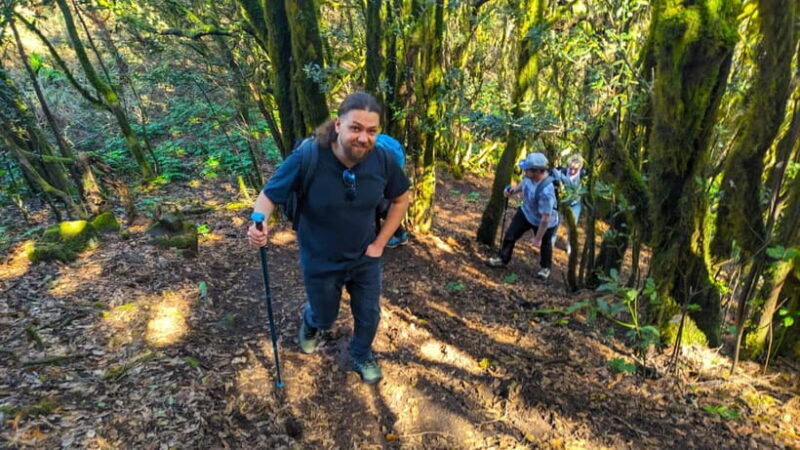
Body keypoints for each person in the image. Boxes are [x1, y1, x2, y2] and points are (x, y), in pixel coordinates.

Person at [247, 92, 411, 384]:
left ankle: (360, 353)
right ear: (338, 125)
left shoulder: (382, 159)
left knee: (370, 315)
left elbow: (401, 198)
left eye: (372, 131)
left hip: (364, 257)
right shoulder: (309, 156)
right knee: (325, 318)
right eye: (356, 128)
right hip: (320, 258)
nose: (363, 138)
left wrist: (380, 243)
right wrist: (258, 225)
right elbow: (269, 195)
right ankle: (311, 321)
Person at [486, 152, 559, 282]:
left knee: (545, 245)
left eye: (527, 169)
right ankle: (502, 258)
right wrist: (513, 191)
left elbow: (545, 219)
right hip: (526, 212)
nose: (524, 171)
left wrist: (537, 238)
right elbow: (524, 184)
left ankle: (545, 268)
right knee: (510, 234)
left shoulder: (546, 191)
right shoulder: (529, 177)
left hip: (545, 222)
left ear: (537, 171)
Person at [374, 133, 410, 248]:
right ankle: (399, 235)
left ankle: (392, 236)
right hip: (391, 167)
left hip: (386, 171)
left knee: (381, 204)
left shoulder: (376, 150)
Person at [551, 153, 585, 254]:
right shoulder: (562, 171)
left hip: (575, 203)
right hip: (562, 201)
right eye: (571, 168)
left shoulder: (583, 175)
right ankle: (552, 240)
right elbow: (553, 175)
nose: (572, 171)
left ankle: (570, 245)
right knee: (556, 222)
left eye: (575, 169)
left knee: (572, 225)